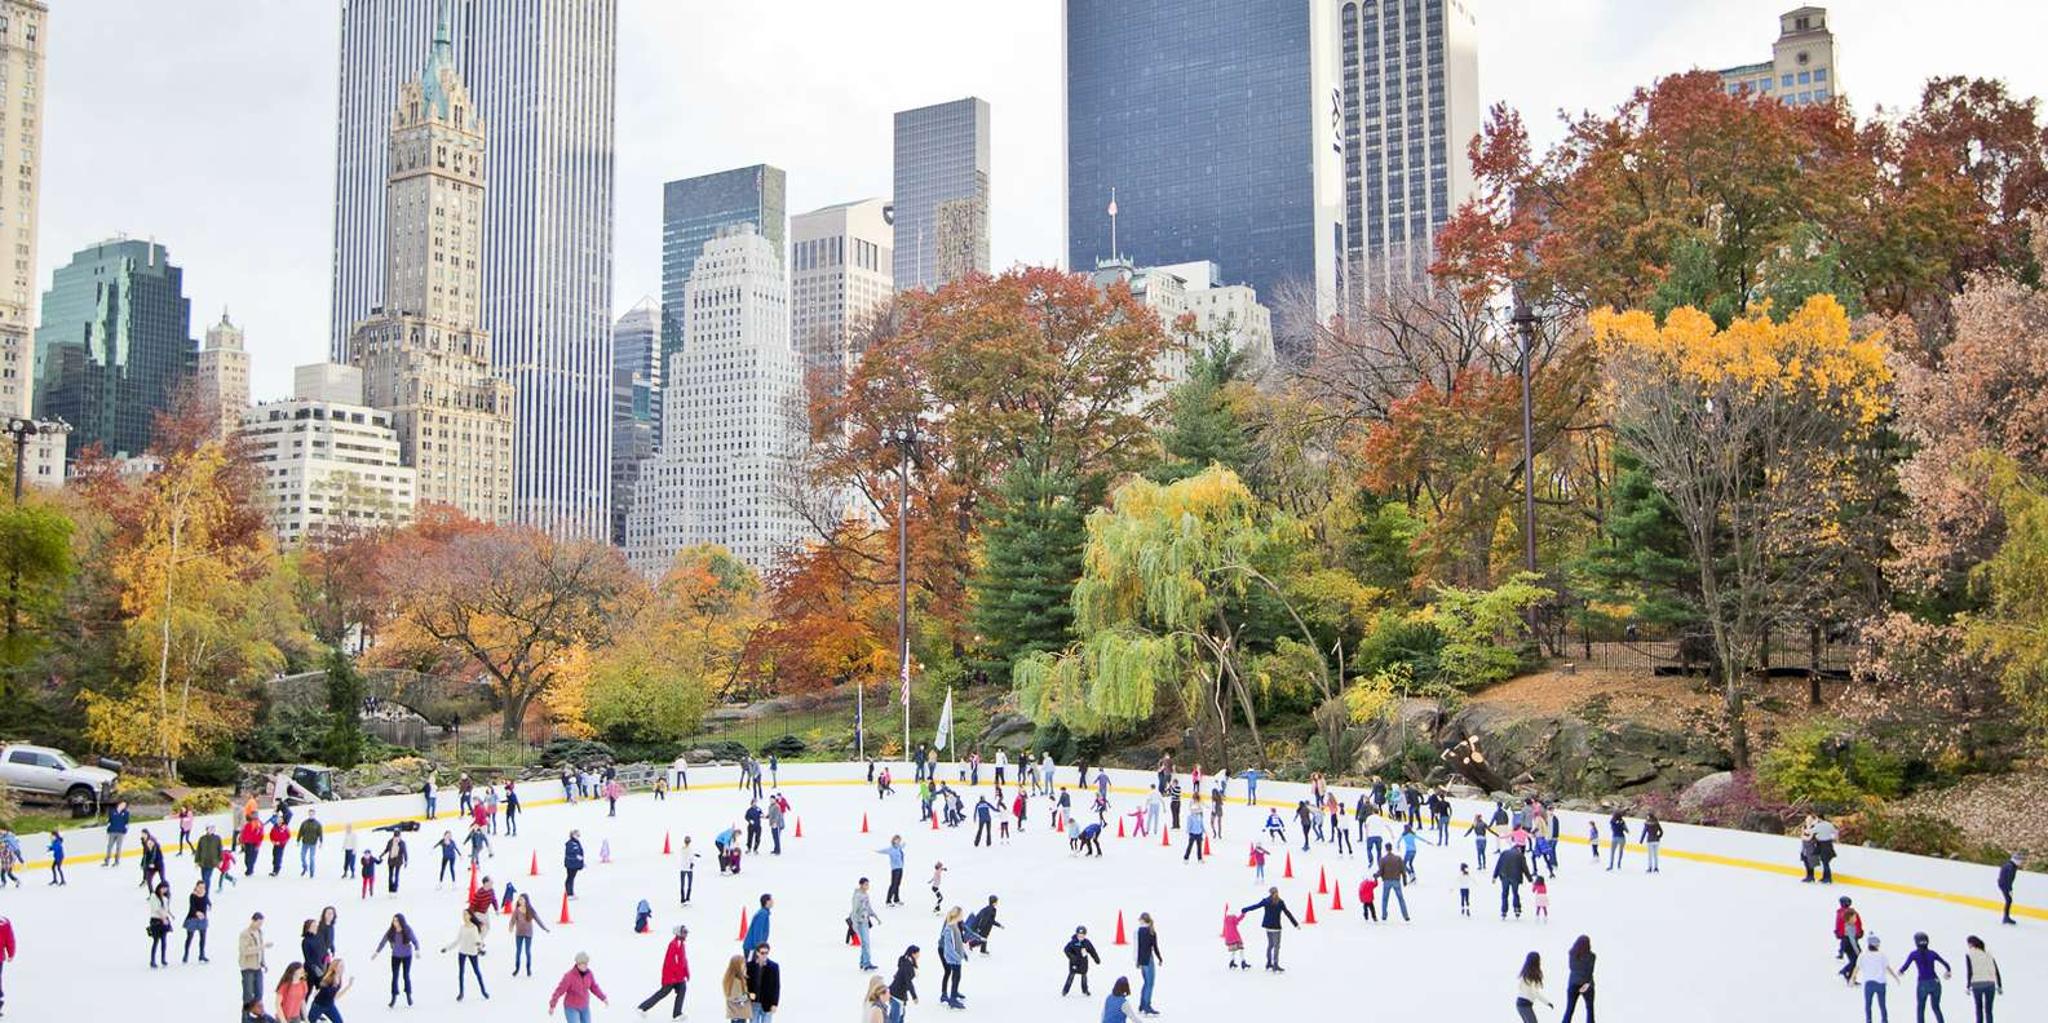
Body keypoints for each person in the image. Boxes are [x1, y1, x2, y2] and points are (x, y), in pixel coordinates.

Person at [1240, 888, 1299, 972]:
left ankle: (1268, 963)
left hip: (1268, 927)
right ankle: (1275, 964)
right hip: (1276, 928)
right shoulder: (1280, 902)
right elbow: (1287, 913)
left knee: (1271, 945)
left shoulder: (1266, 901)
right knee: (1276, 946)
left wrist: (1245, 909)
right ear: (1276, 893)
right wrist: (1295, 924)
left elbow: (1255, 906)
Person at [638, 924, 690, 1018]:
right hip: (671, 976)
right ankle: (642, 1007)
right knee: (663, 993)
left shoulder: (681, 944)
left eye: (686, 932)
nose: (686, 934)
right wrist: (675, 976)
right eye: (684, 932)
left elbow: (683, 961)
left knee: (682, 988)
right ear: (678, 933)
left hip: (678, 976)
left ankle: (677, 1014)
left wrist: (686, 972)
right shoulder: (673, 944)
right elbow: (671, 962)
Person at [1900, 932, 1952, 1023]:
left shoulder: (1914, 954)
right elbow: (1946, 964)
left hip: (1923, 983)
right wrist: (1948, 972)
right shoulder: (1932, 953)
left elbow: (1905, 966)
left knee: (1921, 1008)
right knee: (1936, 1007)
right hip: (1935, 982)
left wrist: (1901, 971)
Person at [370, 913, 419, 1007]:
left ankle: (408, 995)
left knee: (406, 975)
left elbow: (415, 940)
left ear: (401, 921)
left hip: (407, 956)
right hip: (395, 956)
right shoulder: (391, 931)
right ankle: (393, 997)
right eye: (393, 920)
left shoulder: (407, 929)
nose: (394, 922)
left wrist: (417, 950)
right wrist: (377, 952)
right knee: (395, 976)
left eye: (396, 920)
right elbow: (383, 941)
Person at [440, 909, 490, 1001]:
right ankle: (461, 993)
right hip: (462, 952)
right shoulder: (462, 928)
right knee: (461, 973)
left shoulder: (474, 928)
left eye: (466, 914)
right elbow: (457, 941)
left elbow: (477, 939)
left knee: (477, 971)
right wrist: (447, 948)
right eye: (463, 915)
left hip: (472, 952)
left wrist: (479, 945)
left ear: (470, 916)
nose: (464, 916)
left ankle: (483, 991)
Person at [549, 951, 610, 1023]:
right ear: (578, 964)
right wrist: (552, 1005)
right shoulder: (569, 976)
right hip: (571, 1008)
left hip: (584, 1006)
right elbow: (559, 991)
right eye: (583, 964)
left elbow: (594, 987)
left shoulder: (589, 974)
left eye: (586, 964)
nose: (585, 966)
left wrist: (603, 998)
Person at [1859, 935, 1899, 1023]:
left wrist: (1852, 978)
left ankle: (1869, 1020)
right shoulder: (1882, 955)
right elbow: (1887, 968)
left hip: (1869, 983)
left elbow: (1857, 968)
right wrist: (1895, 977)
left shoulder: (1863, 955)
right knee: (1882, 1004)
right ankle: (1884, 1020)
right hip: (1881, 983)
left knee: (1868, 1004)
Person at [1963, 935, 2001, 1023]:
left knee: (1978, 1008)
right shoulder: (1988, 953)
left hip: (1977, 984)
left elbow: (1970, 971)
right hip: (1990, 984)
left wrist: (1968, 986)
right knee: (1989, 1010)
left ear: (1971, 944)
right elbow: (1996, 969)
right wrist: (1999, 985)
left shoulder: (1969, 954)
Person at [509, 894, 548, 977]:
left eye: (522, 899)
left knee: (527, 951)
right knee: (518, 951)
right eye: (519, 899)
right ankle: (517, 968)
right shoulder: (517, 910)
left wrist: (544, 928)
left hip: (528, 934)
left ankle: (528, 968)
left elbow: (538, 919)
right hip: (519, 934)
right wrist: (511, 927)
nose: (520, 901)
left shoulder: (530, 910)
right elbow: (512, 920)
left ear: (526, 901)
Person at [241, 913, 274, 1007]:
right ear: (253, 921)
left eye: (261, 923)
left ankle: (258, 1013)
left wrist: (263, 962)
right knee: (248, 994)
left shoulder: (259, 932)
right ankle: (246, 1015)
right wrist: (262, 946)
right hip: (248, 968)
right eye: (259, 923)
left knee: (259, 993)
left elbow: (261, 952)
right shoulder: (245, 934)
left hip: (258, 967)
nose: (260, 925)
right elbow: (245, 951)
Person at [1133, 912, 1162, 1015]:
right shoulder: (1151, 932)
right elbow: (1155, 948)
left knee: (1146, 983)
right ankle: (1147, 1006)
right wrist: (1160, 958)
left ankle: (1142, 1005)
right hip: (1149, 960)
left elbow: (1136, 948)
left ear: (1142, 920)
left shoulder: (1137, 931)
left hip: (1141, 961)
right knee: (1150, 984)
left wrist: (1137, 961)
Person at [937, 906, 967, 1009]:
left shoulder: (956, 926)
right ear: (957, 915)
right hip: (947, 953)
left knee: (956, 976)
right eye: (961, 914)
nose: (963, 916)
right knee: (949, 972)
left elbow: (959, 942)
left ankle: (954, 993)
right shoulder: (949, 928)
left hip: (954, 955)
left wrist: (963, 953)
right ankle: (948, 996)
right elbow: (948, 946)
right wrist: (957, 956)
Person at [1562, 935, 1596, 1023]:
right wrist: (1586, 985)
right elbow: (1590, 971)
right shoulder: (1592, 956)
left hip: (1573, 984)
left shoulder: (1572, 954)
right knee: (1589, 1010)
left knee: (1569, 1009)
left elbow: (1571, 967)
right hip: (1586, 984)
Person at [306, 956, 351, 1023]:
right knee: (310, 1021)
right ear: (335, 967)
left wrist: (349, 986)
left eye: (343, 966)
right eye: (340, 966)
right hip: (318, 1006)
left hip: (330, 1006)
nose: (343, 967)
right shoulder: (328, 978)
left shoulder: (339, 978)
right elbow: (324, 990)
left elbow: (335, 995)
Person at [745, 943, 781, 1022]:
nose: (764, 955)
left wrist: (775, 1004)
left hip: (768, 1003)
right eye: (762, 953)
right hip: (754, 1003)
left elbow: (776, 986)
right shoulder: (749, 966)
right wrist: (748, 995)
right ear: (757, 953)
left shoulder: (774, 966)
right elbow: (746, 984)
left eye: (766, 953)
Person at [850, 879, 880, 971]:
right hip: (860, 922)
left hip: (865, 920)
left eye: (868, 884)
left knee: (865, 943)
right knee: (865, 943)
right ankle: (866, 963)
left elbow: (868, 907)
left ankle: (863, 962)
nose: (867, 886)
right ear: (861, 885)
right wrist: (854, 923)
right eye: (866, 884)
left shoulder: (866, 895)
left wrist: (875, 916)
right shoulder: (857, 896)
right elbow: (854, 910)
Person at [1064, 926, 1102, 995]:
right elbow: (1066, 950)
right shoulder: (1073, 942)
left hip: (1083, 963)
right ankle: (1065, 990)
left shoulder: (1087, 943)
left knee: (1084, 977)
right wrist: (1071, 956)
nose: (1081, 937)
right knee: (1071, 976)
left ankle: (1085, 990)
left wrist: (1096, 959)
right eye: (1079, 936)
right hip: (1074, 963)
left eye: (1082, 936)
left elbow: (1092, 951)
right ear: (1076, 934)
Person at [1837, 897, 1867, 985]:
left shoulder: (1847, 921)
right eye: (1854, 917)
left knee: (1854, 961)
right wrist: (1858, 951)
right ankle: (1847, 973)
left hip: (1847, 944)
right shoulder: (1850, 927)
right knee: (1855, 961)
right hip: (1849, 945)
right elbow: (1852, 940)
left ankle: (1847, 974)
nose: (1856, 918)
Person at [1516, 952, 1552, 1023]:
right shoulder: (1531, 976)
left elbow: (1520, 988)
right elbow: (1535, 993)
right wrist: (1547, 1002)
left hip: (1520, 1003)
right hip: (1525, 1004)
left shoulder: (1524, 974)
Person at [1377, 847, 1410, 922]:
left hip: (1387, 881)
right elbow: (1403, 869)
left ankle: (1384, 915)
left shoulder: (1383, 859)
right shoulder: (1398, 858)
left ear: (1386, 849)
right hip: (1396, 880)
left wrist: (1376, 875)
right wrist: (1404, 880)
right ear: (1391, 848)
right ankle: (1406, 915)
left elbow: (1380, 871)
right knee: (1401, 899)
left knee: (1385, 899)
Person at [888, 946, 920, 1023]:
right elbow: (908, 982)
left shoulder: (906, 961)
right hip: (897, 995)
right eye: (918, 953)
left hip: (898, 994)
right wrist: (914, 996)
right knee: (895, 1019)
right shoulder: (907, 964)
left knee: (900, 1016)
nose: (919, 955)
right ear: (913, 954)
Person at [147, 880, 175, 967]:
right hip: (156, 921)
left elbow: (166, 909)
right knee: (156, 941)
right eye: (163, 888)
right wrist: (163, 918)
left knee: (164, 941)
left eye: (166, 889)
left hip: (164, 920)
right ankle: (152, 960)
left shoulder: (165, 898)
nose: (164, 890)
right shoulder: (153, 896)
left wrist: (170, 915)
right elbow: (156, 909)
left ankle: (163, 959)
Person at [878, 836, 907, 907]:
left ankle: (896, 899)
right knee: (893, 884)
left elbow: (903, 845)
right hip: (895, 869)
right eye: (897, 840)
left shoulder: (899, 847)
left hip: (900, 868)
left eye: (899, 840)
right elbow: (882, 851)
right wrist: (874, 850)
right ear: (893, 840)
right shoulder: (890, 849)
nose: (898, 841)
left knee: (898, 884)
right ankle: (888, 901)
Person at [722, 954, 752, 1023]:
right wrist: (748, 996)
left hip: (738, 1013)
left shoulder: (738, 978)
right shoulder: (735, 981)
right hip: (737, 1013)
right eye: (743, 964)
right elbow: (735, 998)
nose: (744, 965)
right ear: (737, 966)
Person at [1995, 853, 2021, 926]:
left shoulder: (2010, 865)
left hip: (2003, 884)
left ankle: (2006, 917)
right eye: (2019, 860)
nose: (2021, 862)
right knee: (2009, 900)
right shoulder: (2011, 867)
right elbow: (2009, 878)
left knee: (2009, 900)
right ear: (2015, 860)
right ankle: (2006, 918)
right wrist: (2009, 889)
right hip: (2004, 885)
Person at [103, 800, 131, 866]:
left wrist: (125, 831)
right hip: (112, 831)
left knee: (118, 847)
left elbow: (127, 823)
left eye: (124, 805)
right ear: (119, 804)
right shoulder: (112, 811)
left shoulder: (126, 813)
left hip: (121, 832)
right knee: (109, 846)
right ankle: (107, 861)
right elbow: (109, 821)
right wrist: (108, 830)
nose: (123, 806)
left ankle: (117, 861)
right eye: (122, 804)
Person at [297, 810, 324, 878]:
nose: (311, 815)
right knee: (302, 856)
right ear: (308, 814)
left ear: (314, 815)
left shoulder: (318, 824)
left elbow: (320, 834)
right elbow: (300, 831)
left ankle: (312, 872)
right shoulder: (304, 823)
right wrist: (298, 840)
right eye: (310, 814)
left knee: (311, 858)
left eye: (312, 814)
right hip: (305, 842)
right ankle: (305, 867)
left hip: (313, 843)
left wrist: (321, 842)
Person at [563, 831, 586, 899]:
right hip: (571, 865)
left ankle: (570, 892)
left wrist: (581, 862)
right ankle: (569, 893)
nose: (578, 836)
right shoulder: (571, 843)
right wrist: (577, 857)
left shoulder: (576, 843)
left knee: (571, 878)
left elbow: (579, 852)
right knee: (570, 878)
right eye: (577, 835)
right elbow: (571, 853)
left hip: (574, 864)